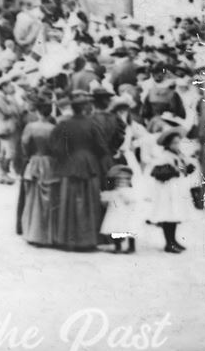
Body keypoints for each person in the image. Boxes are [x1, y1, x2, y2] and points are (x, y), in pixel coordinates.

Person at [47, 90, 108, 251]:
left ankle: (68, 239)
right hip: (89, 164)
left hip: (69, 164)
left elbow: (55, 147)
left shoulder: (64, 125)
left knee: (69, 201)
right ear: (86, 108)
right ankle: (88, 239)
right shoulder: (92, 124)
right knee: (89, 201)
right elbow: (102, 148)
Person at [147, 128, 194, 254]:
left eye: (178, 143)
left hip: (176, 190)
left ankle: (173, 240)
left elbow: (182, 169)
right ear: (167, 144)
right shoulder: (164, 156)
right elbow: (157, 173)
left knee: (174, 215)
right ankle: (169, 243)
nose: (176, 145)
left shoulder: (178, 155)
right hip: (166, 191)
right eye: (174, 143)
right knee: (168, 215)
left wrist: (187, 168)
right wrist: (174, 171)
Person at [18, 99, 56, 247]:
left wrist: (29, 156)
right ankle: (46, 234)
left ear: (38, 112)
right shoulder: (53, 128)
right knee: (47, 199)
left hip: (34, 161)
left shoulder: (31, 127)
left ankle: (32, 232)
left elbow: (25, 145)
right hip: (49, 163)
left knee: (32, 197)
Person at [99, 163, 141, 254]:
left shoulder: (130, 191)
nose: (122, 182)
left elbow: (132, 201)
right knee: (116, 230)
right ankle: (118, 247)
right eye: (119, 180)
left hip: (127, 216)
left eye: (125, 179)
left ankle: (131, 247)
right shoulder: (113, 192)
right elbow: (105, 201)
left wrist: (125, 196)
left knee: (130, 230)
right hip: (115, 216)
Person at [0, 77, 21, 184]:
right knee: (10, 153)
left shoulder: (2, 97)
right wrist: (13, 103)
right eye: (9, 86)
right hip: (6, 128)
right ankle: (3, 173)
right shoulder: (0, 98)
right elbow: (8, 111)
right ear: (3, 87)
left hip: (4, 128)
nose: (11, 88)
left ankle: (2, 173)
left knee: (4, 151)